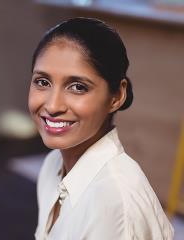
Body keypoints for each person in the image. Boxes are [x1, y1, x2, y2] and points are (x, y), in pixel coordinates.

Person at [28, 17, 174, 240]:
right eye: (43, 82)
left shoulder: (114, 202)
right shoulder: (52, 165)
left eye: (78, 87)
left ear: (117, 96)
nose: (52, 105)